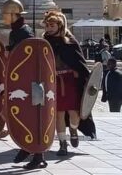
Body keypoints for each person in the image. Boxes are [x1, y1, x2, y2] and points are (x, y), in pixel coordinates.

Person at [1, 0, 44, 169]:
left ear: (13, 14)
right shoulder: (16, 32)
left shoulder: (25, 33)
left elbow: (29, 59)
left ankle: (38, 154)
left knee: (32, 117)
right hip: (19, 82)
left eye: (5, 13)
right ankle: (27, 147)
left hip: (28, 83)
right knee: (16, 114)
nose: (3, 16)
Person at [42, 9, 91, 157]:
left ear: (60, 25)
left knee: (73, 113)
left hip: (70, 81)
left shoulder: (70, 41)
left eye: (52, 25)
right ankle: (63, 143)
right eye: (47, 26)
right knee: (58, 114)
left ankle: (74, 129)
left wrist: (79, 73)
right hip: (53, 82)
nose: (49, 28)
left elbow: (79, 62)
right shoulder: (45, 42)